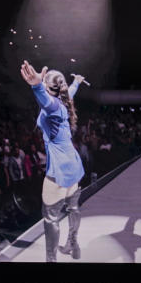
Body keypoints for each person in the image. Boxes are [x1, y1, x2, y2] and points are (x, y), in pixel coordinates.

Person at [19, 60, 86, 262]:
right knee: (73, 208)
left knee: (50, 218)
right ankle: (74, 247)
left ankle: (51, 261)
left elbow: (45, 101)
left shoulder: (52, 105)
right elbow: (69, 93)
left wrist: (37, 86)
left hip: (59, 170)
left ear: (49, 88)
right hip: (74, 166)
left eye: (46, 87)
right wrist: (77, 82)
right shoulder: (64, 101)